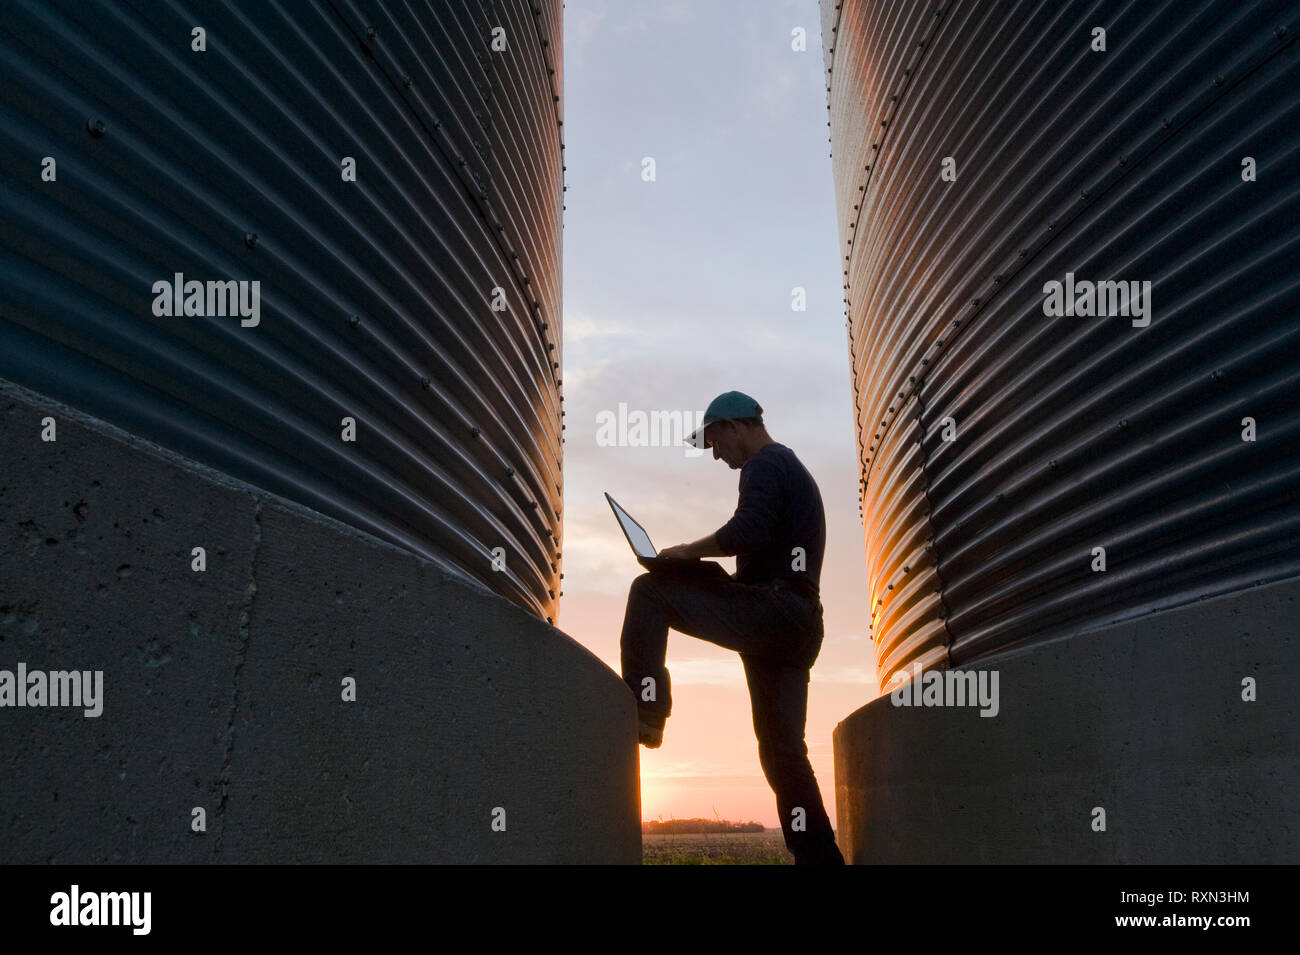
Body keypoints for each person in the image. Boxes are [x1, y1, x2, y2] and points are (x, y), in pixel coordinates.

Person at [619, 390, 845, 865]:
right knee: (783, 752)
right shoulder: (790, 467)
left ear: (734, 426)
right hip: (796, 625)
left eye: (715, 443)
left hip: (776, 610)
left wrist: (687, 553)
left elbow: (748, 530)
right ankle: (819, 858)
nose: (717, 456)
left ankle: (645, 710)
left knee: (648, 591)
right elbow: (760, 554)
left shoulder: (765, 464)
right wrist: (703, 574)